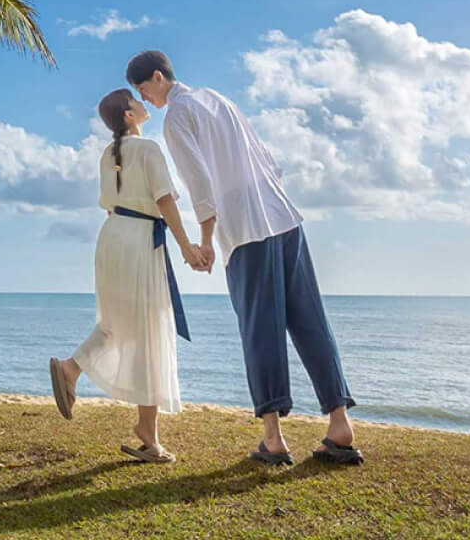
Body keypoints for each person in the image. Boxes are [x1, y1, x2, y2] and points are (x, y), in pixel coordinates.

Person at [127, 48, 364, 467]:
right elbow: (268, 160)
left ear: (159, 77)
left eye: (144, 89)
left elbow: (198, 180)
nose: (145, 99)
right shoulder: (218, 99)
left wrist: (205, 240)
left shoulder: (178, 115)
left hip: (247, 229)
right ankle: (340, 425)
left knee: (260, 329)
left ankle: (273, 439)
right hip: (284, 217)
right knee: (310, 320)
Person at [47, 88, 205, 463]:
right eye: (137, 101)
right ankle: (146, 432)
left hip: (112, 237)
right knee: (148, 330)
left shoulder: (108, 154)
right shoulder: (148, 149)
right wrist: (186, 246)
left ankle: (74, 369)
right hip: (139, 241)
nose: (143, 103)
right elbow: (164, 200)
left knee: (118, 323)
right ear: (129, 116)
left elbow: (111, 205)